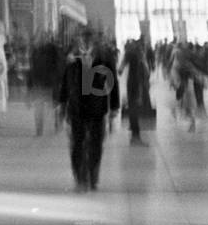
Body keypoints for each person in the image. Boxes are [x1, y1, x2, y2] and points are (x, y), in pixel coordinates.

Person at [59, 30, 120, 192]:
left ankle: (93, 175)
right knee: (77, 143)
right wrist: (62, 102)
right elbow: (65, 80)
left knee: (96, 143)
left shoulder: (105, 57)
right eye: (82, 41)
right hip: (77, 107)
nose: (85, 44)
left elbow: (113, 82)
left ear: (94, 42)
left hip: (97, 106)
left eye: (88, 41)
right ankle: (79, 177)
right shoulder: (72, 57)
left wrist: (114, 107)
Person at [119, 40, 149, 146]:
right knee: (134, 109)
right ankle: (136, 138)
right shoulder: (138, 55)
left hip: (131, 83)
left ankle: (134, 136)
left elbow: (120, 69)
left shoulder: (130, 54)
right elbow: (144, 72)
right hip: (137, 84)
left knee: (133, 108)